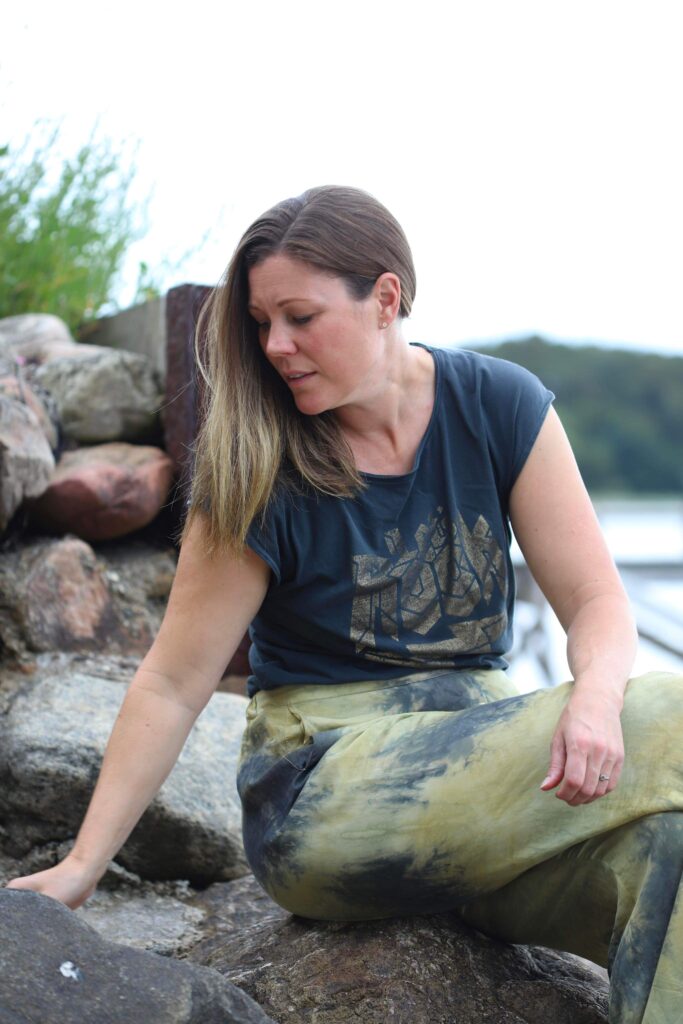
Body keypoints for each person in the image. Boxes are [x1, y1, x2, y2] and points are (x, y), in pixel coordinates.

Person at [6, 185, 683, 1023]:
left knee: (668, 852)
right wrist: (82, 867)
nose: (275, 345)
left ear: (385, 298)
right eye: (262, 323)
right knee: (670, 711)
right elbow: (173, 684)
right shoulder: (257, 462)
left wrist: (595, 698)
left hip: (484, 782)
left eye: (299, 317)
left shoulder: (499, 406)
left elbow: (592, 599)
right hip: (325, 792)